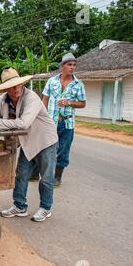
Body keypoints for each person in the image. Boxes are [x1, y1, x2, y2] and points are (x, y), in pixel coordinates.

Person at [0, 68, 58, 222]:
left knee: (46, 177)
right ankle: (19, 206)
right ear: (6, 88)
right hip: (27, 142)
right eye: (12, 86)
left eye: (18, 84)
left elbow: (24, 123)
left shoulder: (31, 97)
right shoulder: (4, 99)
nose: (16, 88)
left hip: (44, 140)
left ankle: (46, 208)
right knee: (21, 174)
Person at [41, 53, 86, 187]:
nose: (72, 67)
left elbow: (83, 103)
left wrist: (69, 103)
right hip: (50, 121)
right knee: (45, 147)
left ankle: (57, 177)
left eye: (74, 65)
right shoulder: (51, 81)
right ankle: (38, 172)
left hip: (67, 123)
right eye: (69, 64)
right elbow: (44, 100)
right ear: (62, 66)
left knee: (63, 151)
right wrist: (42, 117)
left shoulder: (78, 84)